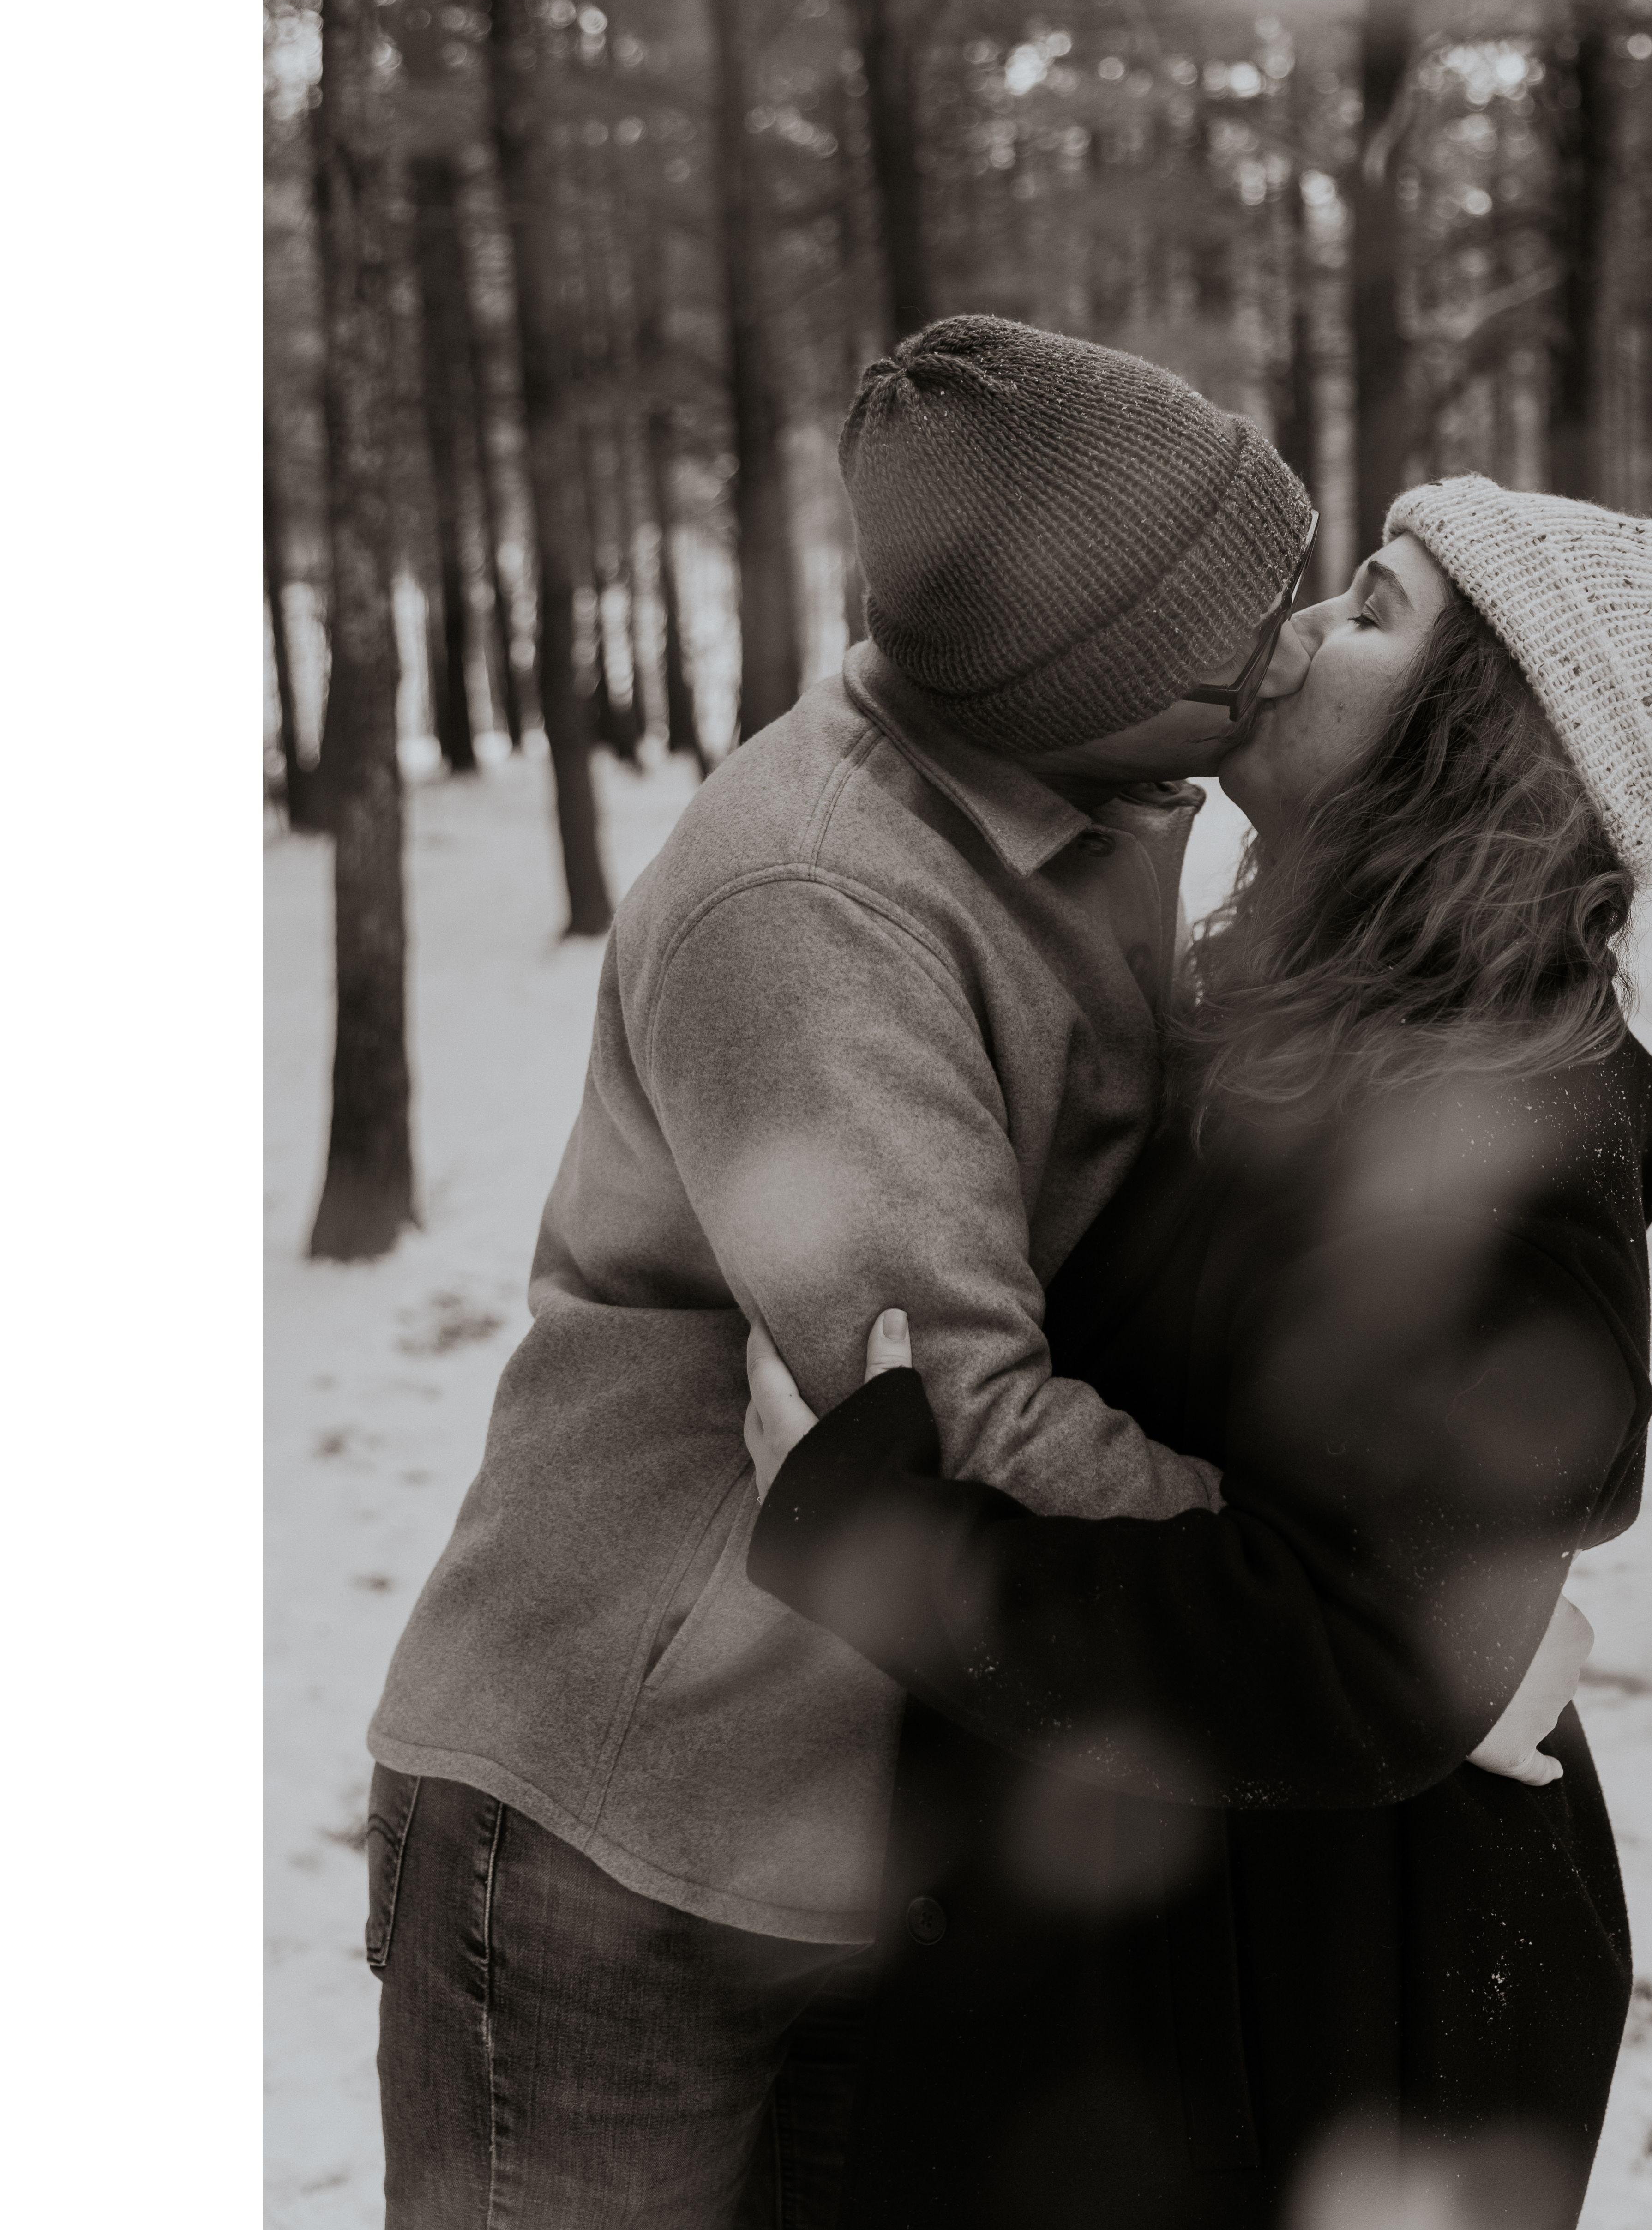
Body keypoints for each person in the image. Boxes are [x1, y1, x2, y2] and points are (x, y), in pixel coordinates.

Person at [739, 477, 1652, 2230]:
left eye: (1372, 611)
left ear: (1475, 745)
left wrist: (886, 1536)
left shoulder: (1504, 1146)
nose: (1301, 629)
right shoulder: (1309, 1039)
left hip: (1331, 2034)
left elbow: (1353, 1655)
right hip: (1196, 1972)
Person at [360, 316, 1320, 2226]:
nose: (1286, 663)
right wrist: (1348, 1628)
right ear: (1064, 687)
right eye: (1233, 656)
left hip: (892, 1819)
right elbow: (953, 1424)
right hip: (621, 1843)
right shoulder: (811, 901)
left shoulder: (1115, 795)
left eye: (1291, 587)